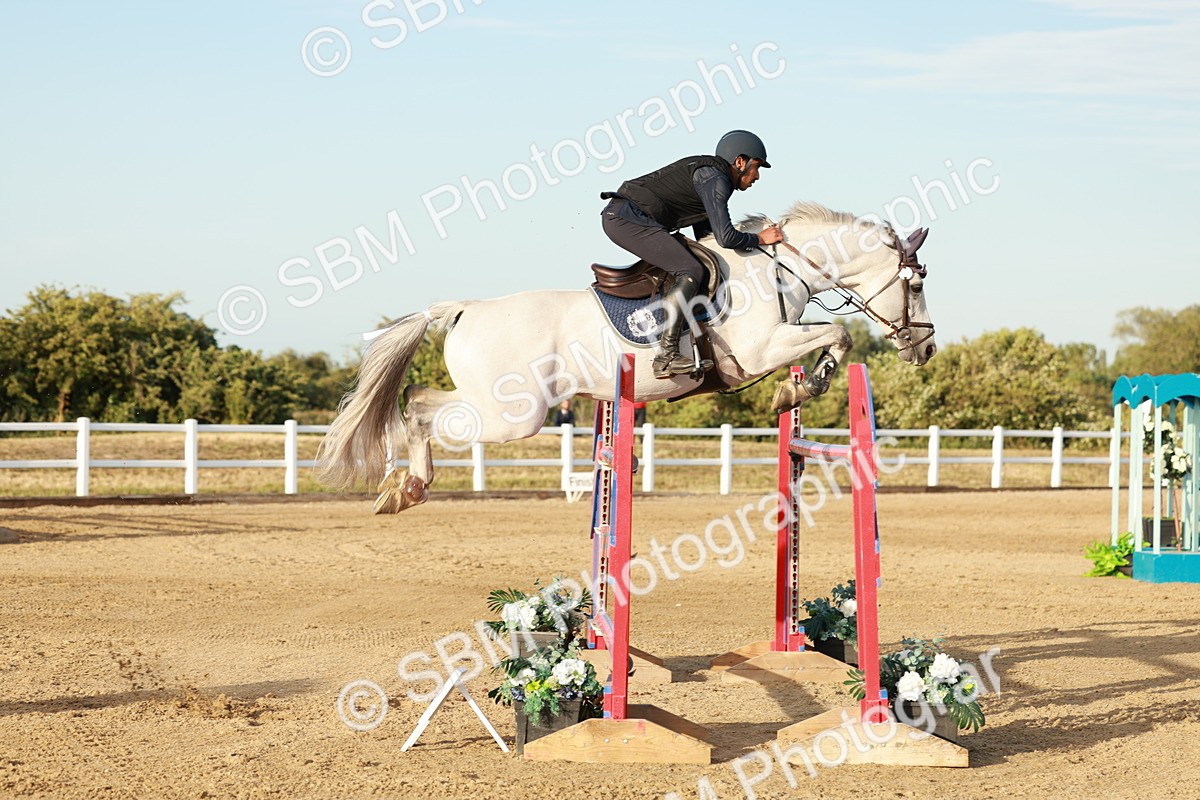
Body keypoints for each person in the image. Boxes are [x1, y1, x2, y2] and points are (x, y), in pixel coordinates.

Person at [600, 130, 784, 379]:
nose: (757, 176)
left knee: (698, 265)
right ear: (740, 162)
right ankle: (666, 357)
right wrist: (760, 238)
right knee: (690, 269)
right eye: (757, 167)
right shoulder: (715, 179)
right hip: (625, 219)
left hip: (628, 217)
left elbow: (709, 240)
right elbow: (726, 238)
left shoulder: (712, 177)